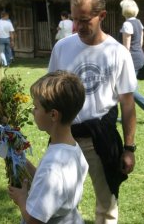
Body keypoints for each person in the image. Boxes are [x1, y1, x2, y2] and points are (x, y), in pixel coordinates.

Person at [48, 0, 137, 223]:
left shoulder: (118, 53)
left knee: (107, 205)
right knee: (58, 202)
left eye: (85, 20)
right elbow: (49, 92)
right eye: (75, 19)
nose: (77, 27)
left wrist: (129, 148)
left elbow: (128, 104)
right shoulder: (62, 48)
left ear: (103, 16)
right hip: (65, 138)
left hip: (100, 138)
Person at [8, 70, 89, 223]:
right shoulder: (72, 149)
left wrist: (21, 198)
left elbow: (34, 220)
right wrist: (23, 161)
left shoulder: (53, 167)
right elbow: (51, 181)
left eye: (36, 107)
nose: (33, 111)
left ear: (53, 115)